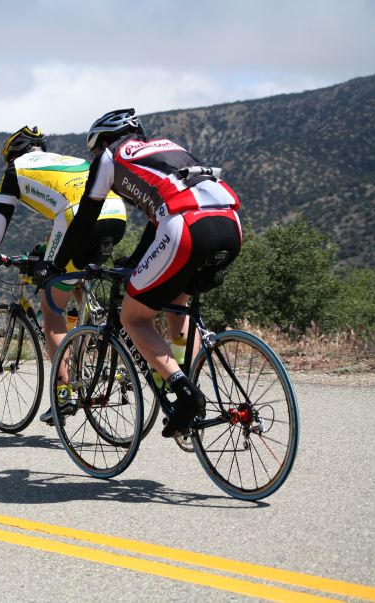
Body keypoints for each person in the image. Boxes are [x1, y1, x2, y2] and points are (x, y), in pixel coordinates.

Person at [33, 108, 242, 437]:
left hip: (185, 226)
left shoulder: (109, 157)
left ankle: (185, 394)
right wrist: (134, 259)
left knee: (134, 317)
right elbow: (157, 217)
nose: (94, 157)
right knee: (178, 302)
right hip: (229, 222)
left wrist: (55, 265)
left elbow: (85, 217)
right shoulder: (166, 147)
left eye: (94, 150)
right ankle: (190, 379)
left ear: (102, 143)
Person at [0, 126, 127, 424]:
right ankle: (95, 348)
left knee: (51, 305)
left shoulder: (13, 172)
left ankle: (64, 391)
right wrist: (46, 249)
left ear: (12, 154)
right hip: (116, 214)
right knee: (72, 277)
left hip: (76, 218)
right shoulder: (70, 161)